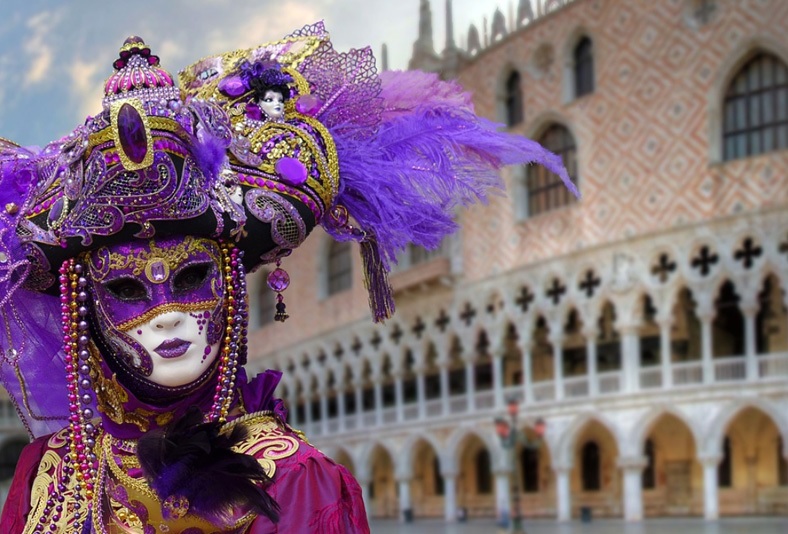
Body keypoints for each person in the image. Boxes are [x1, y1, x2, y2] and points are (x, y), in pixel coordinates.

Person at [0, 24, 576, 533]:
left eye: (192, 278)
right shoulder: (47, 472)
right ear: (83, 305)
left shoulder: (295, 480)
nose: (168, 313)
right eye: (126, 290)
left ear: (230, 282)